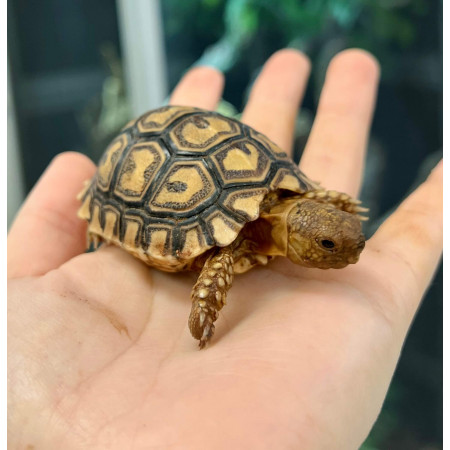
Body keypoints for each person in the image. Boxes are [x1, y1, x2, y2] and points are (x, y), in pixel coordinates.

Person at [8, 49, 442, 449]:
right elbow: (217, 260)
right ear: (299, 238)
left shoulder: (294, 199)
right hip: (142, 162)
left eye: (340, 239)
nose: (346, 250)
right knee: (223, 248)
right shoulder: (231, 243)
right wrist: (206, 304)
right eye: (328, 245)